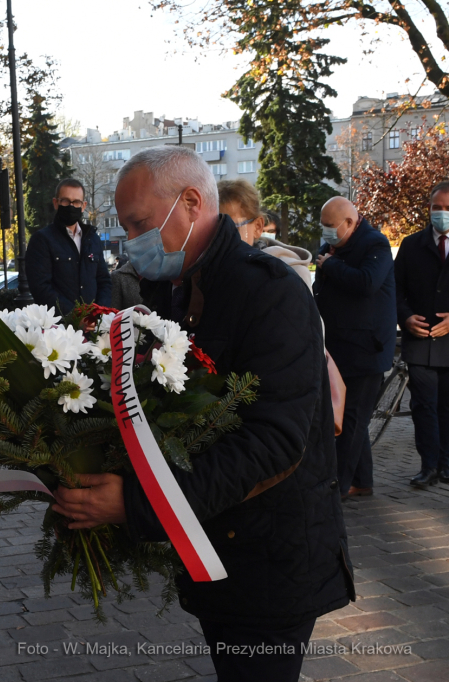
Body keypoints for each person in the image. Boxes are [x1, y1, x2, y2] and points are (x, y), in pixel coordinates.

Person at [52, 146, 352, 682]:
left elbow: (273, 443)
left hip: (271, 561)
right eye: (124, 228)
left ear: (191, 202)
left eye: (141, 224)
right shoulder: (177, 290)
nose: (133, 242)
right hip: (221, 548)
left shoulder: (270, 291)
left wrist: (138, 503)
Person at [313, 197, 396, 500]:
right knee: (351, 418)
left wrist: (332, 265)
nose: (326, 234)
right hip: (338, 347)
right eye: (323, 227)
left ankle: (337, 486)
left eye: (331, 227)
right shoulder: (330, 249)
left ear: (350, 222)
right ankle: (362, 480)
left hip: (366, 350)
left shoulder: (375, 244)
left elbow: (367, 283)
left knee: (351, 423)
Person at [394, 181, 449, 488]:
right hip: (420, 341)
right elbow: (395, 288)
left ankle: (446, 464)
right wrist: (405, 316)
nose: (441, 214)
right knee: (424, 407)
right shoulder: (411, 245)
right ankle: (428, 466)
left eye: (447, 209)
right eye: (436, 208)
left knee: (447, 406)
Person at [26, 179, 112, 314]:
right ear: (56, 203)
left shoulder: (92, 239)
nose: (71, 206)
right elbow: (41, 288)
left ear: (83, 206)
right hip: (60, 329)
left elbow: (104, 281)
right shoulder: (42, 240)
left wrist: (98, 314)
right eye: (65, 201)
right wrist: (76, 316)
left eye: (76, 202)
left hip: (93, 328)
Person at [217, 179, 312, 289]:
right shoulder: (206, 273)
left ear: (258, 227)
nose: (221, 237)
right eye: (214, 229)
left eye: (231, 228)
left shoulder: (292, 274)